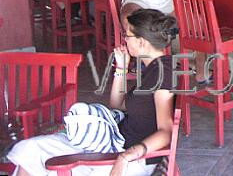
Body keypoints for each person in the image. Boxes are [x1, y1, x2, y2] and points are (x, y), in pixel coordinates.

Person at [8, 9, 177, 176]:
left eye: (127, 35)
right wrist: (121, 68)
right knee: (31, 150)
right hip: (111, 142)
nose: (124, 40)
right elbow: (117, 104)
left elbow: (166, 130)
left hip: (131, 155)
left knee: (47, 167)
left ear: (142, 42)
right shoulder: (151, 69)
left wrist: (127, 156)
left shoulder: (164, 73)